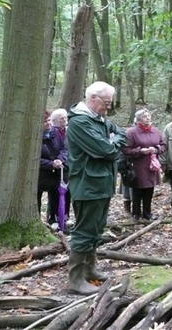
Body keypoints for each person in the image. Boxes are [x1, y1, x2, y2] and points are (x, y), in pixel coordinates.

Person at [66, 81, 127, 294]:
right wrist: (109, 144)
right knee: (84, 231)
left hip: (102, 184)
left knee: (96, 229)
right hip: (87, 184)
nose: (109, 107)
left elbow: (122, 134)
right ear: (93, 98)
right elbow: (106, 150)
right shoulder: (80, 123)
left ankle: (90, 269)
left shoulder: (98, 119)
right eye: (107, 102)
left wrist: (112, 141)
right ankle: (75, 279)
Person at [123, 109, 167, 221]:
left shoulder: (156, 131)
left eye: (149, 116)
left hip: (152, 167)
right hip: (138, 166)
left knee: (149, 190)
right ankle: (136, 214)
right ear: (138, 119)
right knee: (137, 191)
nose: (148, 118)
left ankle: (147, 214)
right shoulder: (131, 132)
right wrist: (139, 151)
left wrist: (156, 149)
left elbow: (163, 145)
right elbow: (125, 150)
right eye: (144, 116)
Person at [39, 110, 68, 229]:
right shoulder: (34, 136)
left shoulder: (55, 133)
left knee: (56, 197)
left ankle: (56, 220)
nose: (48, 123)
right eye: (45, 121)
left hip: (55, 173)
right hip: (40, 175)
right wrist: (50, 164)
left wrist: (60, 160)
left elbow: (63, 149)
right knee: (37, 199)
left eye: (49, 120)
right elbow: (33, 158)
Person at [51, 108, 72, 226]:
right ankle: (53, 217)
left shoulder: (69, 131)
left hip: (68, 165)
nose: (64, 120)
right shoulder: (52, 132)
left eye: (65, 118)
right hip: (55, 166)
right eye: (61, 118)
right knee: (54, 193)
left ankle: (65, 216)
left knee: (67, 191)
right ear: (54, 120)